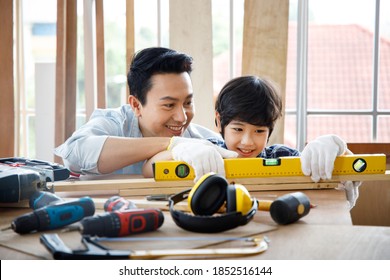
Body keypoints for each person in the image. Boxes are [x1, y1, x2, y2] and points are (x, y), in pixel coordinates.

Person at [143, 75, 360, 208]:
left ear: (270, 129)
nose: (247, 141)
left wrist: (338, 147)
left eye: (259, 131)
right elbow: (149, 169)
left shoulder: (281, 157)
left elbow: (338, 167)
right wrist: (181, 150)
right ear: (219, 122)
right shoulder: (208, 152)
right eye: (238, 129)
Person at [54, 47, 237, 178]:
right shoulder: (114, 123)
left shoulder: (201, 142)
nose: (182, 117)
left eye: (188, 102)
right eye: (169, 105)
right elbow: (74, 155)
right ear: (136, 105)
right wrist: (173, 145)